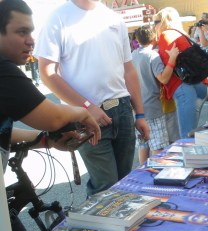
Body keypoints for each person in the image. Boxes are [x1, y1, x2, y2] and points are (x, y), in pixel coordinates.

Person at [0, 0, 100, 231]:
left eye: (31, 32)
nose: (31, 40)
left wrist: (43, 140)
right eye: (21, 32)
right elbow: (53, 117)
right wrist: (83, 112)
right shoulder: (3, 70)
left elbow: (4, 131)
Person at [35, 0, 149, 198]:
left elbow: (128, 70)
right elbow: (47, 73)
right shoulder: (58, 18)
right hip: (85, 116)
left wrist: (140, 114)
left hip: (121, 108)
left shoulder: (114, 19)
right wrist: (87, 107)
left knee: (124, 184)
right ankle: (100, 229)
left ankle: (118, 229)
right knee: (106, 187)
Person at [154, 7, 208, 139]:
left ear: (163, 21)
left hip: (182, 86)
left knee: (187, 136)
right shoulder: (181, 34)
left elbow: (167, 68)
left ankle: (189, 159)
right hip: (196, 83)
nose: (154, 25)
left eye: (156, 21)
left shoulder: (166, 35)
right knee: (192, 133)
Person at [131, 25, 180, 164]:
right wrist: (172, 58)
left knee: (143, 144)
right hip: (153, 107)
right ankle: (154, 172)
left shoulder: (133, 55)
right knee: (157, 145)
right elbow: (163, 78)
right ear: (154, 38)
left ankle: (142, 172)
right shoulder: (153, 56)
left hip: (137, 109)